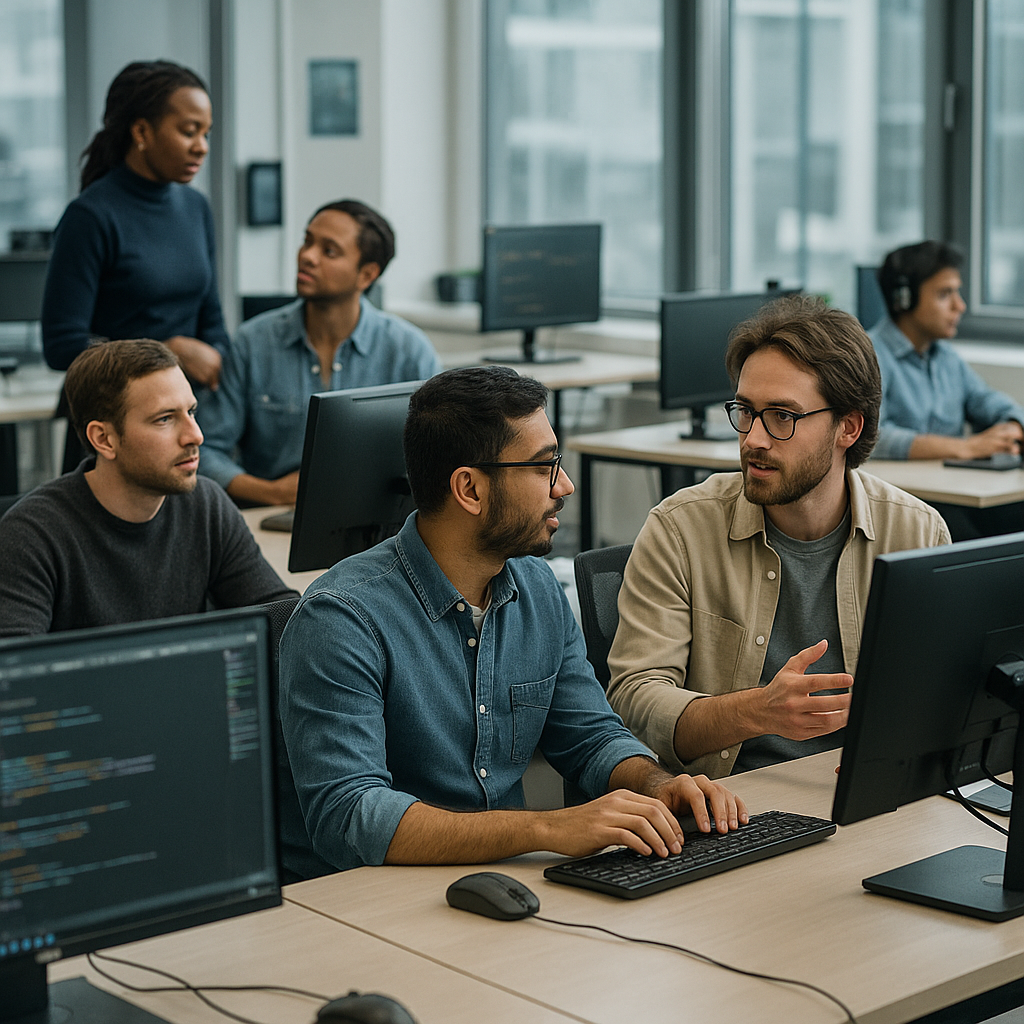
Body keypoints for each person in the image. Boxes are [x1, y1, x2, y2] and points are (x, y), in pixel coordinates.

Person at [277, 366, 746, 879]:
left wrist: (655, 784)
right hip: (375, 901)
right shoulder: (342, 618)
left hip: (504, 882)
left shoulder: (537, 588)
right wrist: (546, 828)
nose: (564, 485)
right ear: (470, 490)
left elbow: (589, 737)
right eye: (544, 467)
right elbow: (349, 816)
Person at [606, 295, 950, 781]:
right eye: (745, 411)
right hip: (730, 807)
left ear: (847, 427)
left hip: (868, 798)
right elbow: (635, 697)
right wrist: (756, 711)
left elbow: (944, 694)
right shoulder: (680, 528)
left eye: (782, 417)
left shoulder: (917, 533)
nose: (753, 439)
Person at [0, 340, 296, 638]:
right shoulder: (30, 536)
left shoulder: (206, 505)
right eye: (165, 419)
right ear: (104, 439)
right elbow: (14, 672)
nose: (196, 435)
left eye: (191, 412)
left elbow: (279, 617)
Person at [41, 60, 228, 471]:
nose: (202, 146)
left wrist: (217, 360)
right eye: (189, 131)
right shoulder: (90, 216)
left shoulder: (195, 208)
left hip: (185, 419)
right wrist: (167, 350)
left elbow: (211, 318)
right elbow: (60, 344)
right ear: (142, 132)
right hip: (115, 430)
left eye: (206, 132)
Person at [196, 199, 441, 507]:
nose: (307, 257)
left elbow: (442, 460)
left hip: (377, 527)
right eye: (306, 241)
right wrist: (268, 492)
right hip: (271, 519)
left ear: (367, 274)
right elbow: (203, 450)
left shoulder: (410, 351)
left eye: (329, 251)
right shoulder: (252, 342)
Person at [869, 240, 1024, 539]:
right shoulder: (870, 355)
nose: (960, 306)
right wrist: (965, 448)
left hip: (955, 495)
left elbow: (988, 401)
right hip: (908, 503)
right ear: (904, 298)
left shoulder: (946, 357)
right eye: (945, 294)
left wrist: (1014, 425)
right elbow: (873, 435)